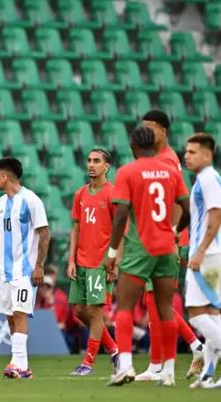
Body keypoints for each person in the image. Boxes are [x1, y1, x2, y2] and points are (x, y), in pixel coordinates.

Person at [104, 126, 191, 387]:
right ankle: (169, 372)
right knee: (167, 309)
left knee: (125, 307)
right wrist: (175, 232)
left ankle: (126, 366)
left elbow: (120, 216)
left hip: (140, 248)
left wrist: (111, 252)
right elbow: (187, 208)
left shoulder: (127, 172)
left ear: (133, 147)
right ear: (155, 145)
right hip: (167, 246)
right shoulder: (171, 171)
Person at [135, 110, 204, 382]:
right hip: (156, 238)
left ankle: (187, 350)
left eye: (151, 128)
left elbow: (178, 201)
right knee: (153, 299)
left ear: (163, 130)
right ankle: (164, 360)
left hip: (167, 240)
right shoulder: (158, 158)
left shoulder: (166, 160)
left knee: (159, 300)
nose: (147, 133)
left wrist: (174, 235)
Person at [0, 157, 50, 379]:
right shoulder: (0, 203)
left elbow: (45, 234)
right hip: (5, 272)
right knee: (10, 316)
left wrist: (39, 266)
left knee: (19, 313)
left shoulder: (31, 200)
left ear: (5, 177)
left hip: (25, 271)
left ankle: (16, 362)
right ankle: (23, 366)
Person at [67, 148, 120, 376]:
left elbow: (121, 229)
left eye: (97, 161)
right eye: (89, 160)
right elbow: (76, 228)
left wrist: (115, 261)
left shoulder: (112, 193)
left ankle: (87, 362)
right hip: (81, 261)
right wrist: (71, 260)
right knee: (80, 312)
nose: (91, 164)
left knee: (95, 312)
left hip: (101, 261)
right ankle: (115, 351)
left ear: (106, 166)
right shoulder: (80, 193)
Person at [183, 133, 221, 389]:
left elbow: (216, 215)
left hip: (205, 255)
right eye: (186, 151)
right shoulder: (206, 178)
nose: (187, 156)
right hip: (211, 255)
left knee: (196, 315)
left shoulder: (208, 178)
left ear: (207, 155)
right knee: (212, 314)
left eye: (193, 152)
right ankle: (207, 375)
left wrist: (199, 251)